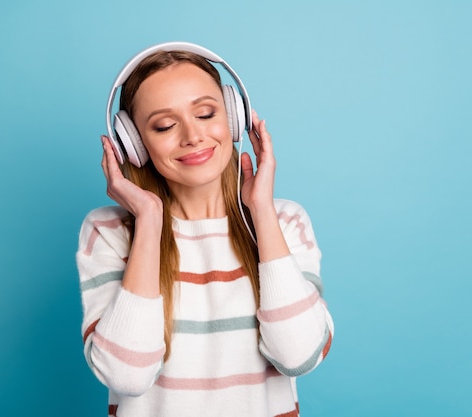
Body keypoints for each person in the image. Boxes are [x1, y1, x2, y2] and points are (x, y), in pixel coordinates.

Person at [76, 42, 334, 417]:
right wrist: (149, 220)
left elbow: (300, 356)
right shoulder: (109, 231)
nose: (192, 136)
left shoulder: (285, 222)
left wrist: (261, 212)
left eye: (205, 113)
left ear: (234, 115)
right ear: (134, 145)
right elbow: (127, 376)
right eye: (164, 125)